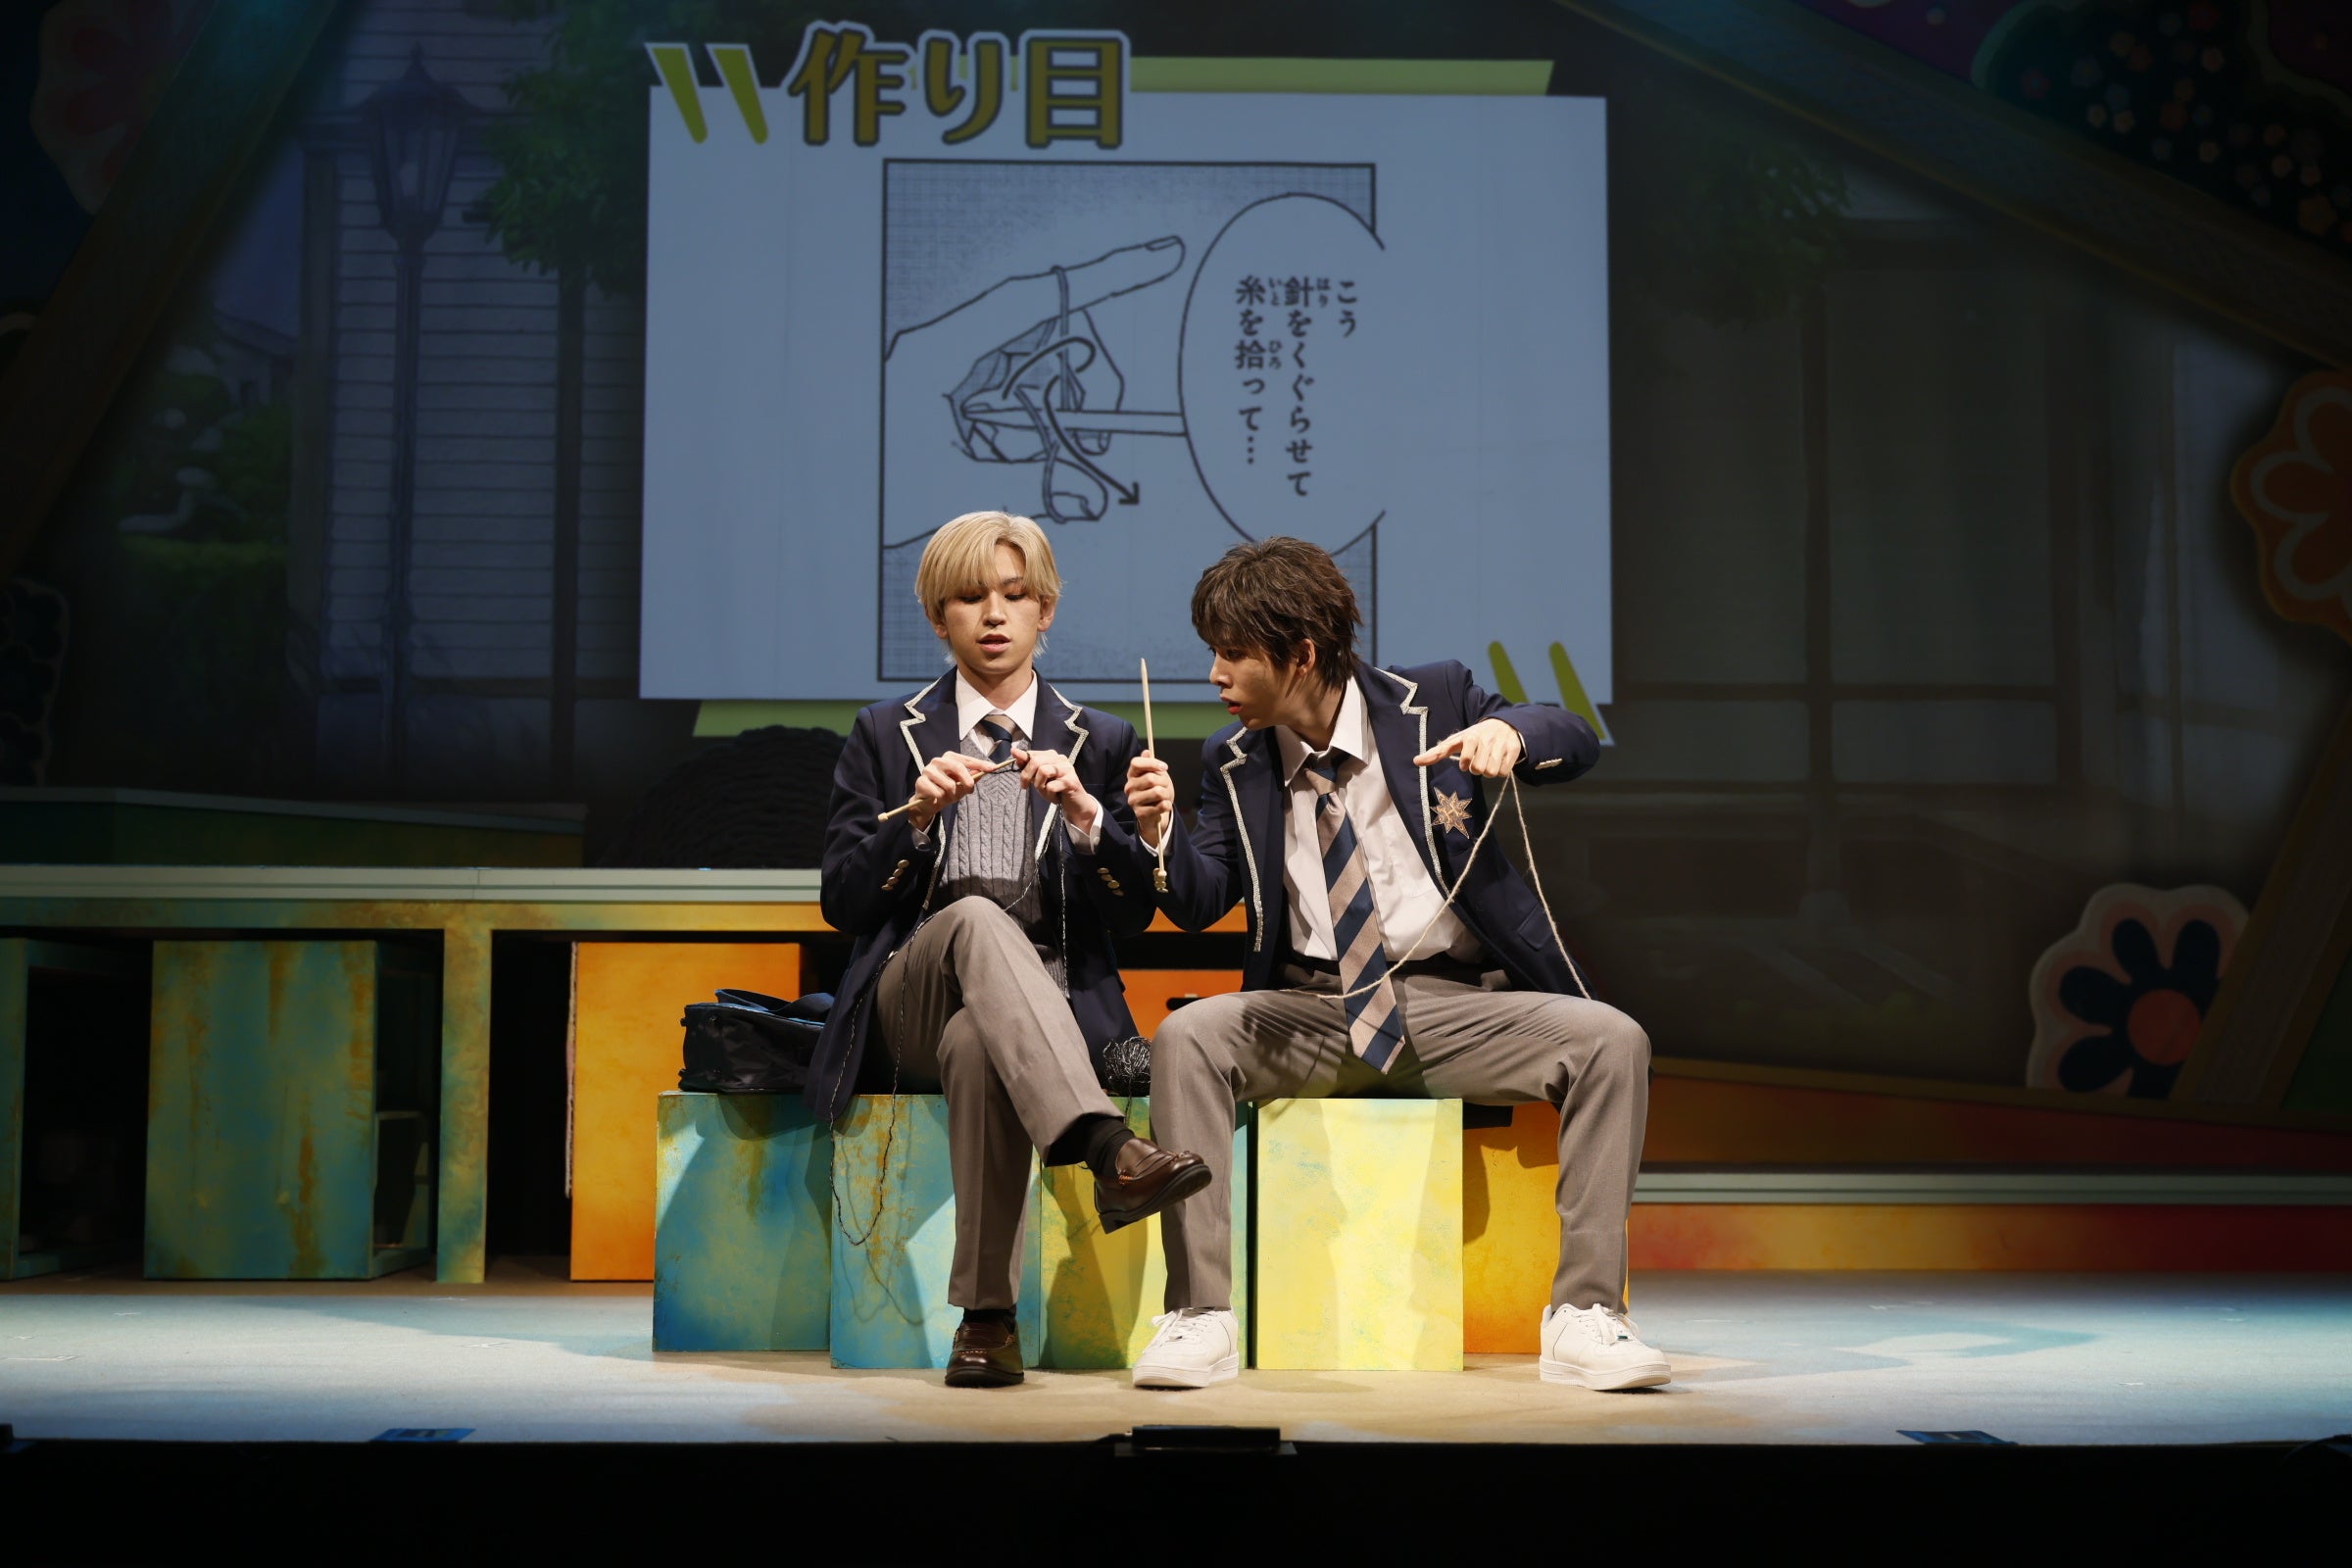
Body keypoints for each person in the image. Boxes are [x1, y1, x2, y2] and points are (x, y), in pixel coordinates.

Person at [1123, 537, 1666, 1392]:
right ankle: (1200, 1315)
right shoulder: (1233, 761)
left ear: (1301, 654)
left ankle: (1584, 1315)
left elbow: (1571, 736)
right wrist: (1156, 837)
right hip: (1312, 1012)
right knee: (1189, 1036)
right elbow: (1200, 899)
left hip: (1453, 1008)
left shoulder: (1436, 699)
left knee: (1612, 1040)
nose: (1216, 675)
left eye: (1232, 653)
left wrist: (1509, 733)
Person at [810, 510, 1211, 1390]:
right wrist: (915, 823)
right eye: (968, 598)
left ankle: (986, 1321)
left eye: (1014, 595)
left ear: (1045, 610)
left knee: (981, 1043)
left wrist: (1090, 819)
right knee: (976, 922)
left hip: (1043, 1013)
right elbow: (843, 901)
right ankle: (1110, 1148)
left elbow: (1133, 919)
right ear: (937, 617)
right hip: (912, 997)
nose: (993, 614)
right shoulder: (884, 732)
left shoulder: (1101, 740)